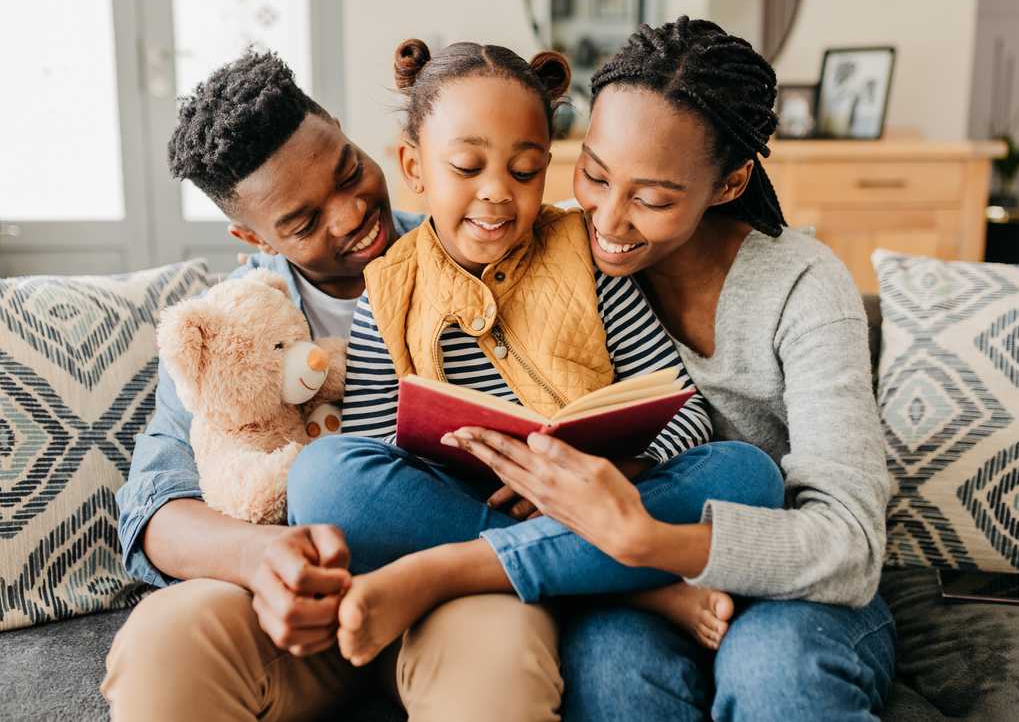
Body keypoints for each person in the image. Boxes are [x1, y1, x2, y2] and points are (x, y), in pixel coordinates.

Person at [446, 17, 898, 720]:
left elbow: (851, 542)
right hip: (629, 580)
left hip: (791, 584)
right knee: (612, 668)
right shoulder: (558, 251)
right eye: (594, 174)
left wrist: (650, 539)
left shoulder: (803, 288)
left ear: (730, 182)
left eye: (652, 198)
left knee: (772, 668)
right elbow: (434, 242)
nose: (607, 220)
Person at [288, 37, 784, 669]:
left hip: (605, 496)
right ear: (414, 166)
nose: (498, 192)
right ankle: (630, 588)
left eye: (524, 171)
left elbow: (683, 410)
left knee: (748, 472)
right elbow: (370, 442)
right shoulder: (387, 290)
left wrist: (620, 469)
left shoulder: (586, 259)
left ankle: (483, 569)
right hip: (462, 505)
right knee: (323, 476)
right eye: (467, 167)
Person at [101, 50, 564, 722]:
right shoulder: (225, 330)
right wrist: (262, 558)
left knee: (499, 663)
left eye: (349, 173)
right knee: (164, 643)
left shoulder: (480, 247)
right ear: (253, 236)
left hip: (457, 586)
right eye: (303, 222)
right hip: (299, 614)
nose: (349, 216)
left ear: (346, 134)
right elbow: (154, 507)